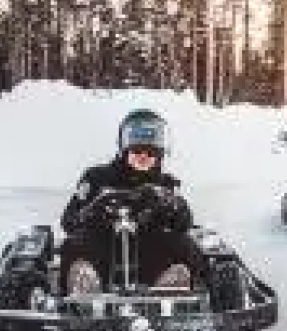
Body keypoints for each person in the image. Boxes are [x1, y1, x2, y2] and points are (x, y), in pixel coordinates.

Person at [58, 109, 205, 295]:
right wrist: (93, 210)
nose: (143, 156)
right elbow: (68, 221)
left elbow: (184, 223)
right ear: (124, 149)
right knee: (74, 244)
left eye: (150, 152)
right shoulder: (96, 177)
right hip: (102, 252)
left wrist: (169, 204)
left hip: (150, 257)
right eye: (136, 151)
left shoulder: (166, 184)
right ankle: (84, 285)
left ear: (160, 154)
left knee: (183, 244)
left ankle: (171, 288)